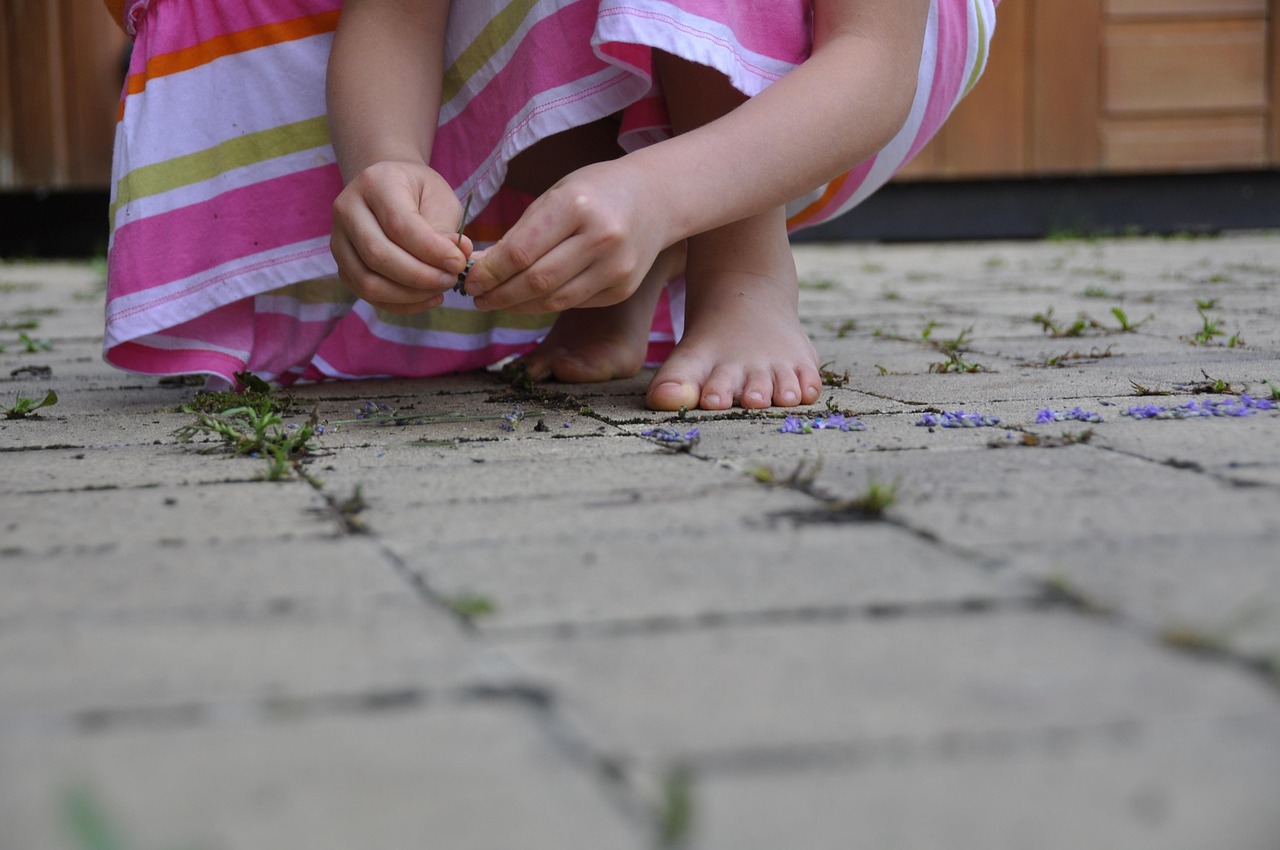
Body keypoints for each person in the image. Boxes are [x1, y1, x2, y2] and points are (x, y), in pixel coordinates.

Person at [103, 0, 998, 410]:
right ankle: (617, 277)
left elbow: (873, 62)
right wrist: (388, 166)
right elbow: (395, 20)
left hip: (849, 80)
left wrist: (661, 189)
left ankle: (744, 277)